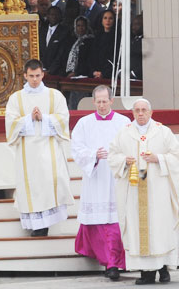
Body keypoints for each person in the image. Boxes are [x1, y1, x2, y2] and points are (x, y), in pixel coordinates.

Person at [108, 99, 179, 285]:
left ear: (151, 112)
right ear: (132, 113)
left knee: (160, 229)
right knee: (138, 229)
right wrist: (123, 161)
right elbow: (112, 155)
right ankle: (146, 274)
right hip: (134, 189)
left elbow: (177, 157)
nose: (140, 114)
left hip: (158, 190)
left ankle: (164, 269)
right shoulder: (124, 133)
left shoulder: (163, 132)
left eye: (144, 110)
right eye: (137, 111)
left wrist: (158, 158)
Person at [4, 59, 74, 237]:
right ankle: (34, 224)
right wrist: (29, 119)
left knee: (48, 183)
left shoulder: (54, 95)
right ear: (25, 75)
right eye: (31, 76)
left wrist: (44, 118)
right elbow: (10, 122)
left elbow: (63, 118)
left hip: (49, 148)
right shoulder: (16, 98)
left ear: (43, 74)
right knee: (31, 185)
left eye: (38, 75)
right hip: (27, 151)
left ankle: (45, 224)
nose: (35, 79)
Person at [71, 85, 131, 281]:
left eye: (105, 101)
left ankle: (115, 262)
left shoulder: (124, 122)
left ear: (112, 101)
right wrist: (93, 156)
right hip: (95, 177)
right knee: (98, 220)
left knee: (114, 220)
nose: (102, 105)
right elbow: (77, 148)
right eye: (99, 102)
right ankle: (108, 262)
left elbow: (131, 146)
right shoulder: (84, 123)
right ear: (93, 102)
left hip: (116, 177)